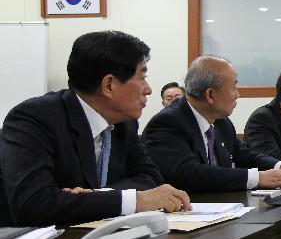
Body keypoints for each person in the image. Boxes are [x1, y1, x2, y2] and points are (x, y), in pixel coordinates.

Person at [0, 31, 191, 226]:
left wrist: (99, 197)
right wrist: (135, 200)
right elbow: (33, 205)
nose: (148, 89)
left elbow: (150, 179)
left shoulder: (125, 122)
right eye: (142, 78)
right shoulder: (34, 119)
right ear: (109, 85)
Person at [143, 56, 281, 192]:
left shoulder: (221, 121)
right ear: (210, 95)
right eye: (234, 87)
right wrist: (258, 178)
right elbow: (190, 174)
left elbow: (243, 154)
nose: (238, 94)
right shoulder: (168, 123)